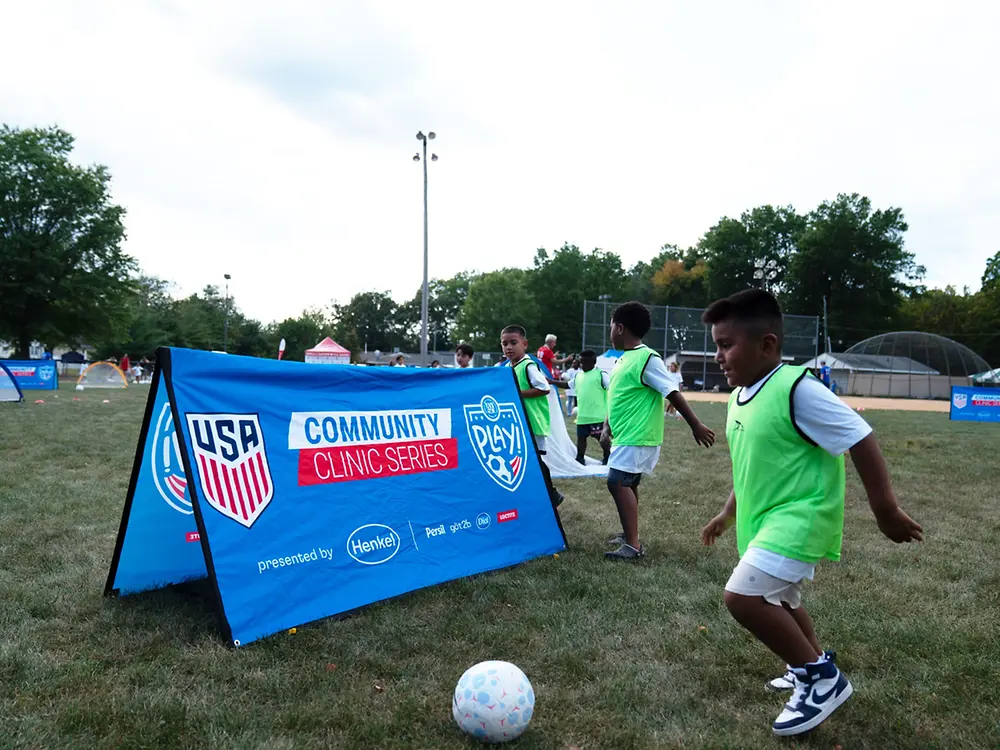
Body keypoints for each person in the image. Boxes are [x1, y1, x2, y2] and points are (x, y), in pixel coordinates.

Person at [699, 289, 923, 737]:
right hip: (764, 520)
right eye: (717, 345)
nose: (718, 356)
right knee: (783, 599)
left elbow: (860, 436)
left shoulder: (797, 388)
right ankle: (808, 663)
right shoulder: (741, 397)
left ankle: (821, 680)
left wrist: (886, 509)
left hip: (801, 519)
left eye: (727, 345)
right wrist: (727, 513)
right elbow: (750, 469)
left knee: (742, 598)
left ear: (767, 345)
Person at [600, 302, 715, 561]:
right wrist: (607, 428)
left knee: (617, 482)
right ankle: (630, 534)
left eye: (611, 326)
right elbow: (616, 397)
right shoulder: (623, 359)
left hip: (639, 435)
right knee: (629, 482)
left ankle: (633, 546)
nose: (610, 331)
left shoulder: (647, 358)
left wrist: (695, 424)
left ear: (619, 327)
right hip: (625, 436)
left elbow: (672, 392)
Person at [501, 325, 563, 508]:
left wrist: (518, 393)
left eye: (513, 343)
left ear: (525, 344)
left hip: (532, 422)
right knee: (525, 461)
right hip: (519, 423)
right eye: (505, 344)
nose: (509, 347)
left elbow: (544, 387)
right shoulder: (509, 366)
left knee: (535, 461)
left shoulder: (528, 365)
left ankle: (552, 496)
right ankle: (538, 496)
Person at [573, 350, 610, 466]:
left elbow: (612, 388)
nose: (582, 365)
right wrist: (551, 381)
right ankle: (580, 458)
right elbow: (568, 384)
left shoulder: (600, 374)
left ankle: (608, 457)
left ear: (593, 363)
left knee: (602, 438)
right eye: (580, 363)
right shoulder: (578, 376)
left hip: (597, 416)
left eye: (584, 363)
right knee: (581, 438)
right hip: (583, 415)